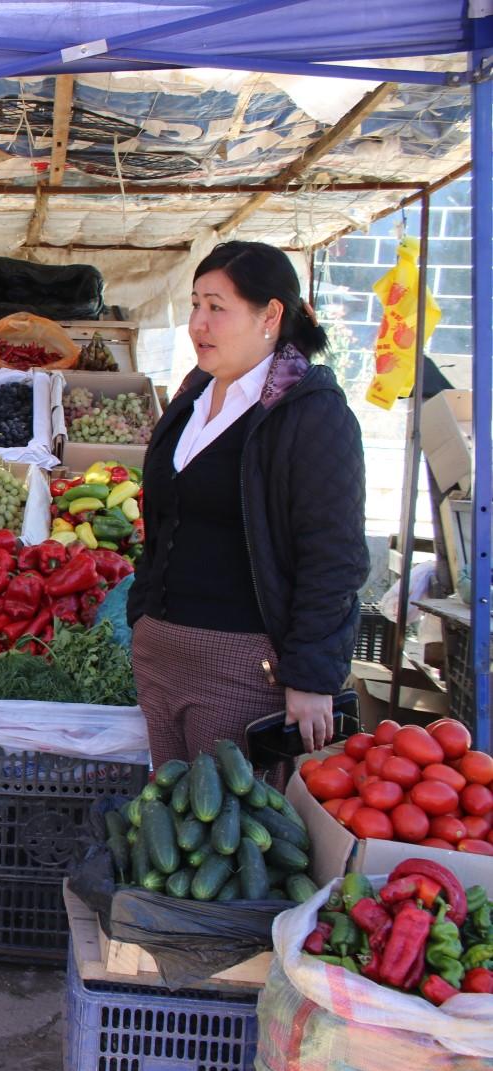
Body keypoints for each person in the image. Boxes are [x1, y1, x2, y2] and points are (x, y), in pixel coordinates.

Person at [128, 240, 368, 769]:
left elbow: (334, 554)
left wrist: (311, 675)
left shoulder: (310, 413)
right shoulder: (193, 395)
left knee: (229, 836)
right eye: (194, 304)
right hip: (161, 655)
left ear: (271, 315)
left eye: (217, 307)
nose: (198, 324)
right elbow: (165, 520)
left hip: (243, 668)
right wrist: (143, 614)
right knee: (168, 826)